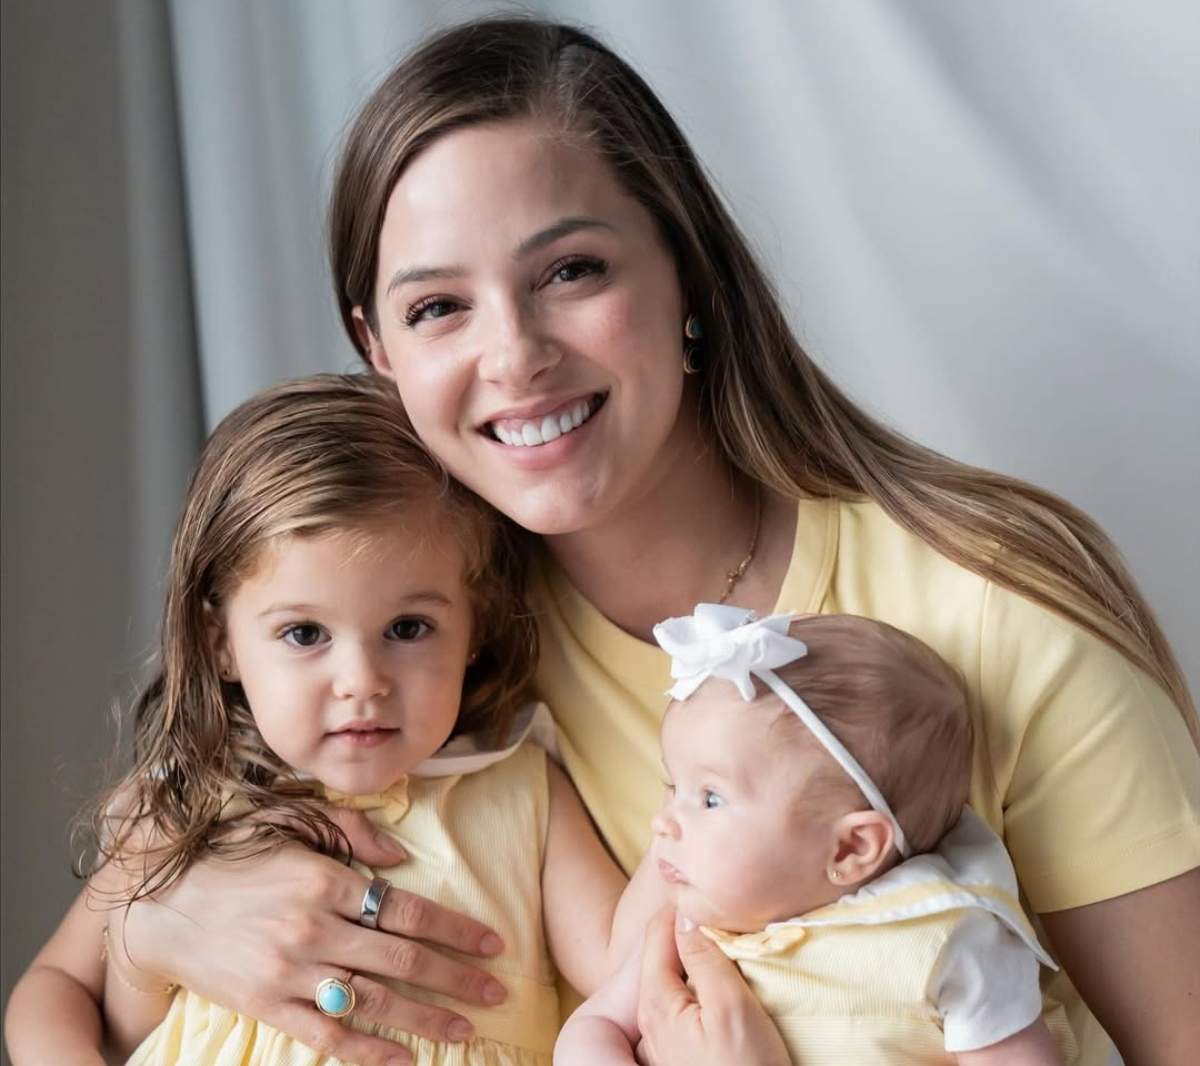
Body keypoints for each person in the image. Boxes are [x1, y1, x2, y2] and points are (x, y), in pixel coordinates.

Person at [18, 15, 1200, 1066]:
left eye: (571, 271)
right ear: (379, 348)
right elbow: (80, 965)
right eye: (438, 306)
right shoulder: (410, 625)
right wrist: (162, 917)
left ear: (690, 277)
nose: (515, 354)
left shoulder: (995, 605)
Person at [3, 373, 636, 1066]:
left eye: (407, 627)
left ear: (475, 626)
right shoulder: (183, 805)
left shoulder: (525, 793)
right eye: (305, 634)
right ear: (221, 644)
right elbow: (56, 986)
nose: (362, 682)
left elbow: (627, 966)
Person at [557, 606, 1065, 1065]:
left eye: (710, 798)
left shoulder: (943, 940)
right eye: (674, 787)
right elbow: (593, 1027)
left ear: (849, 849)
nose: (662, 822)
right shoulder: (691, 932)